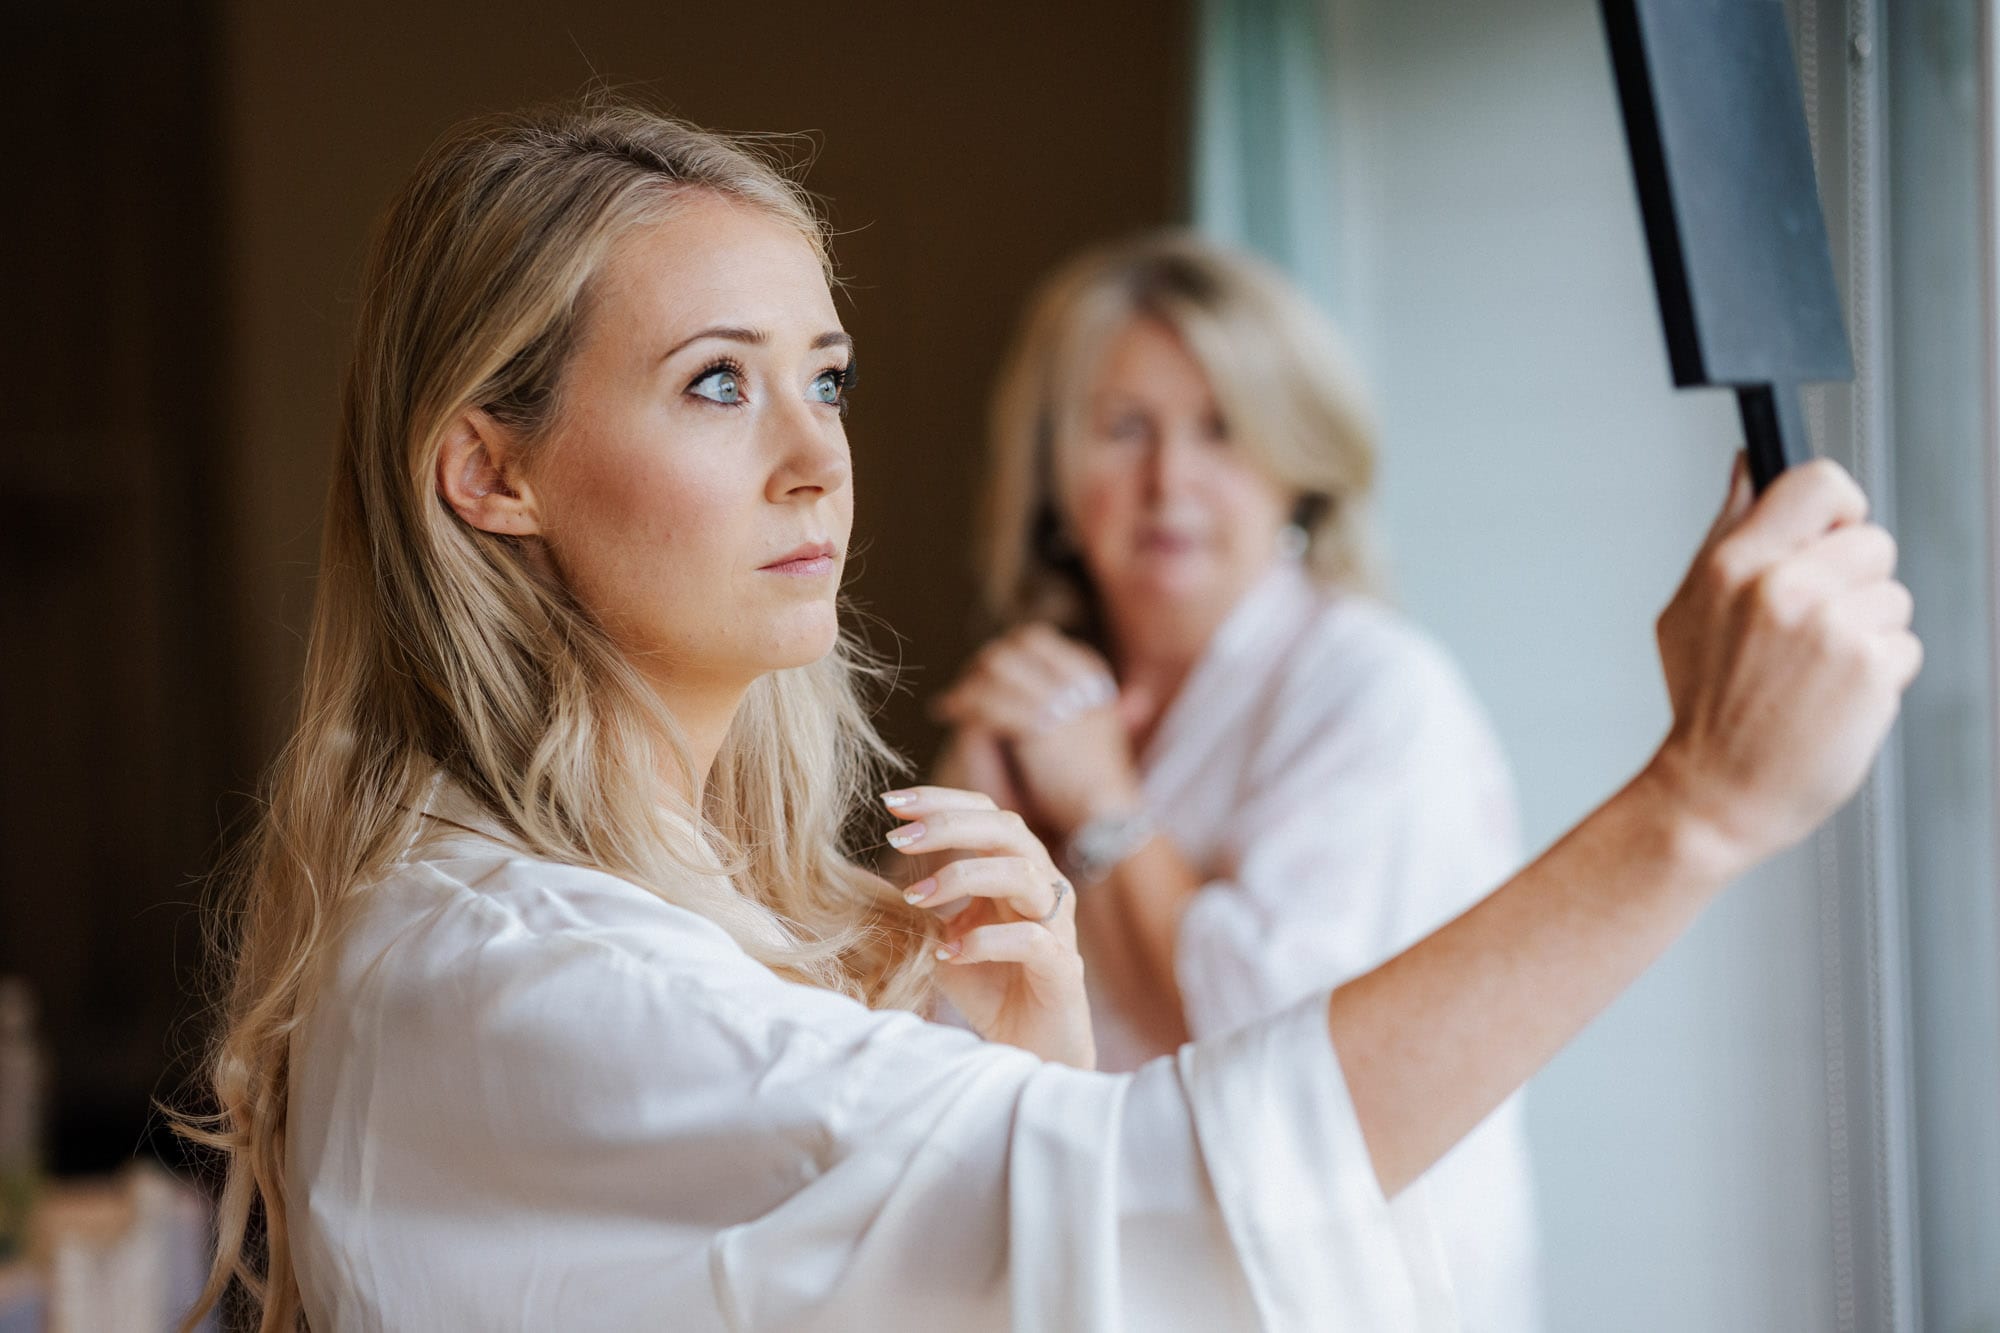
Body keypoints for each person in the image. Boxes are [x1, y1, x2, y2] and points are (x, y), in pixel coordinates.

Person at [178, 98, 1920, 1333]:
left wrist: (1024, 1075)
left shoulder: (657, 923)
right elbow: (1174, 1177)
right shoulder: (532, 970)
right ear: (491, 469)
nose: (818, 453)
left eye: (826, 376)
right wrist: (1693, 806)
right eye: (719, 380)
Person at [932, 233, 1539, 1328]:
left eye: (1220, 428)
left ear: (1294, 463)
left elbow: (1280, 1052)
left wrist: (1105, 809)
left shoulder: (1376, 695)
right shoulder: (1044, 703)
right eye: (1123, 429)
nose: (1169, 481)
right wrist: (968, 812)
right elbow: (918, 1045)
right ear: (1056, 477)